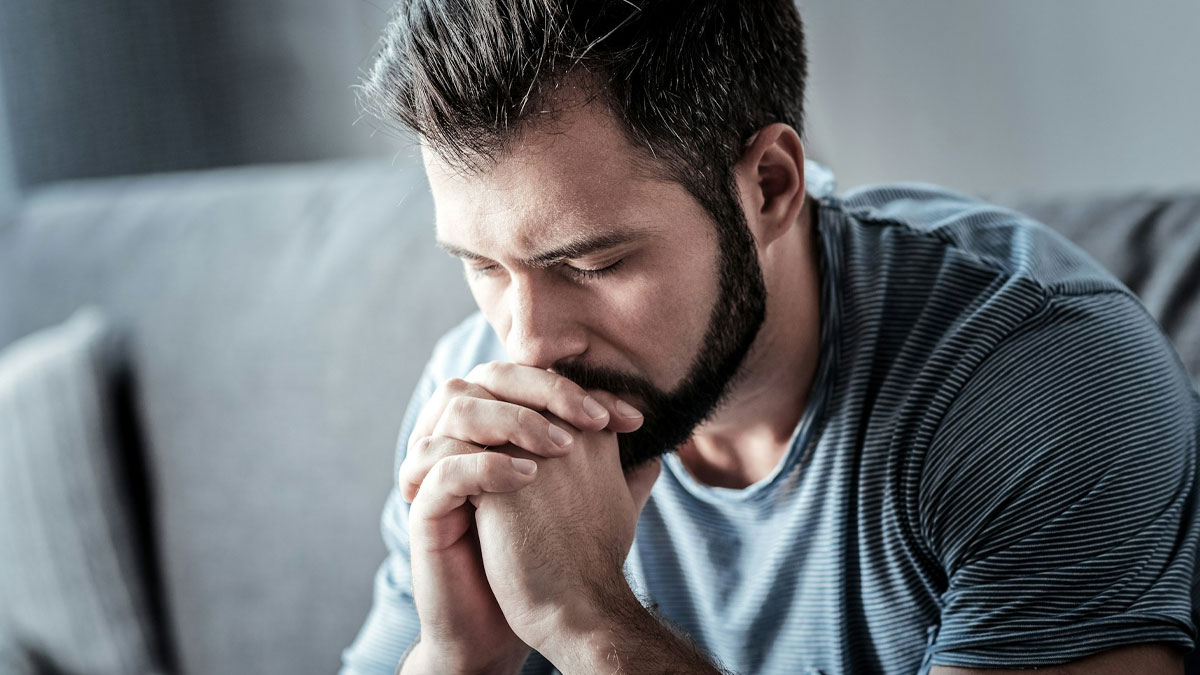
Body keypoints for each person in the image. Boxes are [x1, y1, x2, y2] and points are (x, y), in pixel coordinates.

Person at [340, 2, 1200, 673]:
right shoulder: (480, 409)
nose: (525, 344)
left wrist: (589, 623)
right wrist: (458, 659)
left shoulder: (1037, 382)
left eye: (594, 263)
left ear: (770, 186)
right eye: (483, 267)